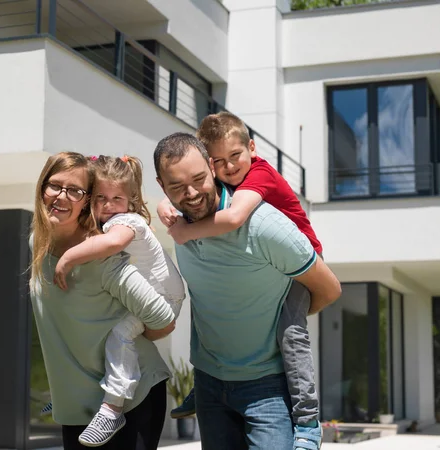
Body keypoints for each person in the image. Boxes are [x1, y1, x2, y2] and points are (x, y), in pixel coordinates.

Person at [154, 133, 341, 450]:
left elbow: (329, 289)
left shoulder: (265, 225)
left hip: (267, 388)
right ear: (162, 186)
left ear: (212, 168)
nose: (191, 193)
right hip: (209, 385)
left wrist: (281, 315)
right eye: (176, 187)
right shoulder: (177, 225)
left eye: (199, 179)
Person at [30, 151, 176, 450]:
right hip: (78, 403)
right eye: (54, 185)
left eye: (75, 191)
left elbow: (163, 319)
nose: (61, 196)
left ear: (85, 200)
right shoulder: (38, 243)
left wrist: (126, 334)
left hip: (130, 398)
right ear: (41, 187)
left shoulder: (100, 257)